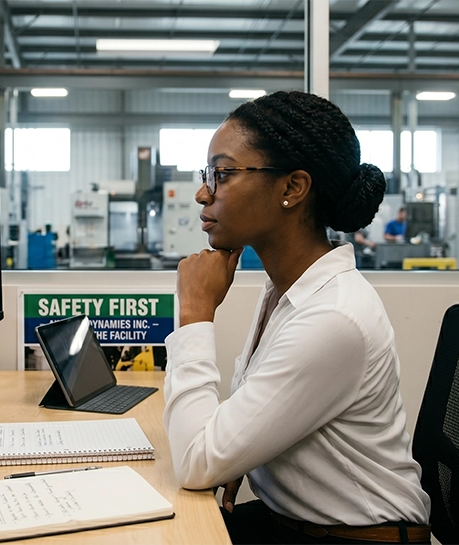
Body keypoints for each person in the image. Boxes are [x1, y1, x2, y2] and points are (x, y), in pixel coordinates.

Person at [163, 91, 430, 544]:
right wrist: (238, 453)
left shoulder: (333, 316)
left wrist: (194, 314)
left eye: (223, 173)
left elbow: (194, 462)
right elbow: (226, 439)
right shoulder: (286, 288)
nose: (203, 192)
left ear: (292, 188)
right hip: (293, 521)